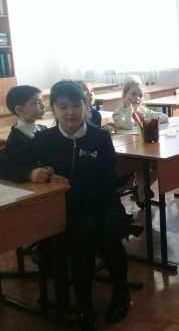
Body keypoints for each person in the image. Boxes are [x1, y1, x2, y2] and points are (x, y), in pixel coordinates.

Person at [7, 80, 136, 330]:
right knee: (81, 239)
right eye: (62, 106)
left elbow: (108, 182)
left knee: (109, 237)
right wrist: (29, 172)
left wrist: (72, 184)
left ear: (85, 105)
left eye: (76, 105)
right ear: (53, 109)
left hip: (101, 202)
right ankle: (84, 307)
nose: (70, 113)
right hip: (64, 207)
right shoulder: (44, 139)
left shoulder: (100, 137)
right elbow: (7, 164)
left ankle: (121, 293)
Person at [112, 77, 168, 206]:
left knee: (162, 164)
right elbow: (127, 125)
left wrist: (150, 121)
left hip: (144, 147)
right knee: (139, 166)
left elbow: (164, 117)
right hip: (128, 152)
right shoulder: (118, 113)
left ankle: (141, 188)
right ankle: (141, 190)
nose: (137, 98)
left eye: (140, 95)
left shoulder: (143, 110)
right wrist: (129, 108)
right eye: (133, 94)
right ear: (124, 95)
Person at [4, 85, 47, 159]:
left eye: (42, 101)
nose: (43, 106)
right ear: (20, 110)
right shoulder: (14, 141)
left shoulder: (44, 128)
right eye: (37, 103)